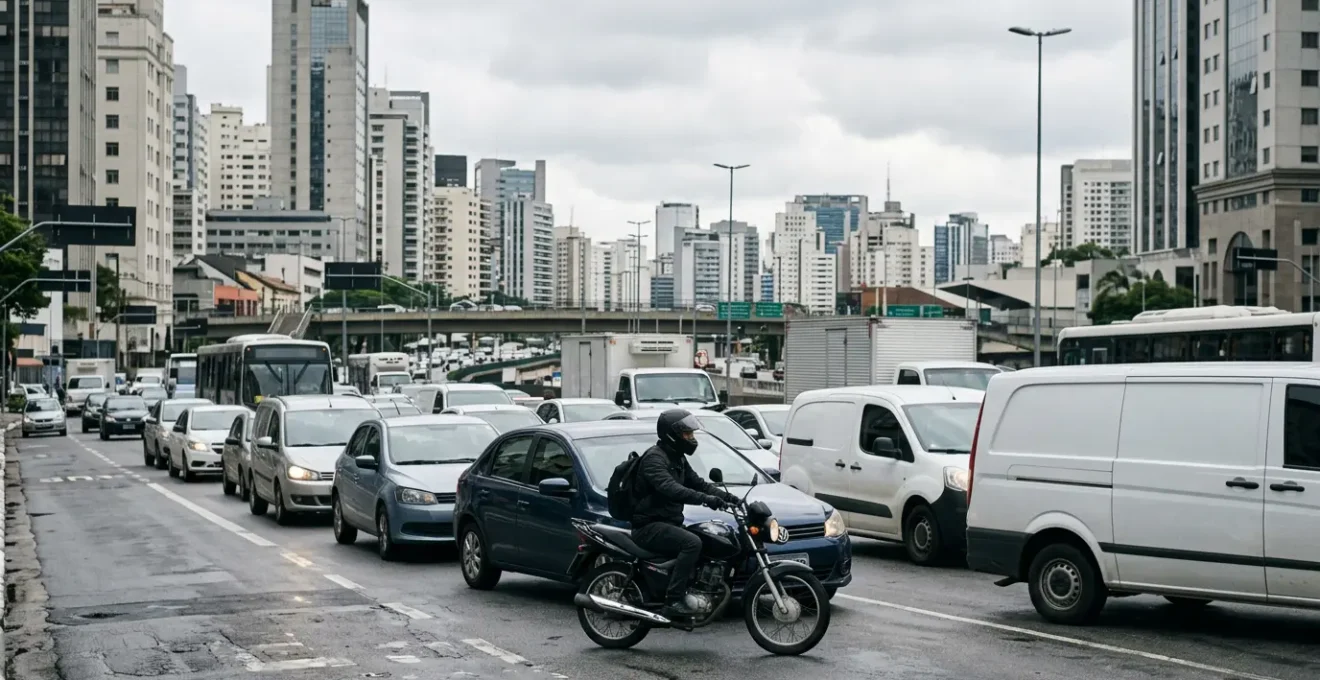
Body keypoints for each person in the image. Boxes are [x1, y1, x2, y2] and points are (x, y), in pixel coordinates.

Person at [631, 408, 740, 619]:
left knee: (707, 538)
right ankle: (673, 601)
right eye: (687, 434)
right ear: (672, 434)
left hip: (669, 523)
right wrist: (706, 500)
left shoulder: (677, 457)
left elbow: (698, 483)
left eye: (692, 434)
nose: (691, 438)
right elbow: (671, 488)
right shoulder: (654, 459)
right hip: (648, 526)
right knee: (692, 543)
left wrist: (729, 498)